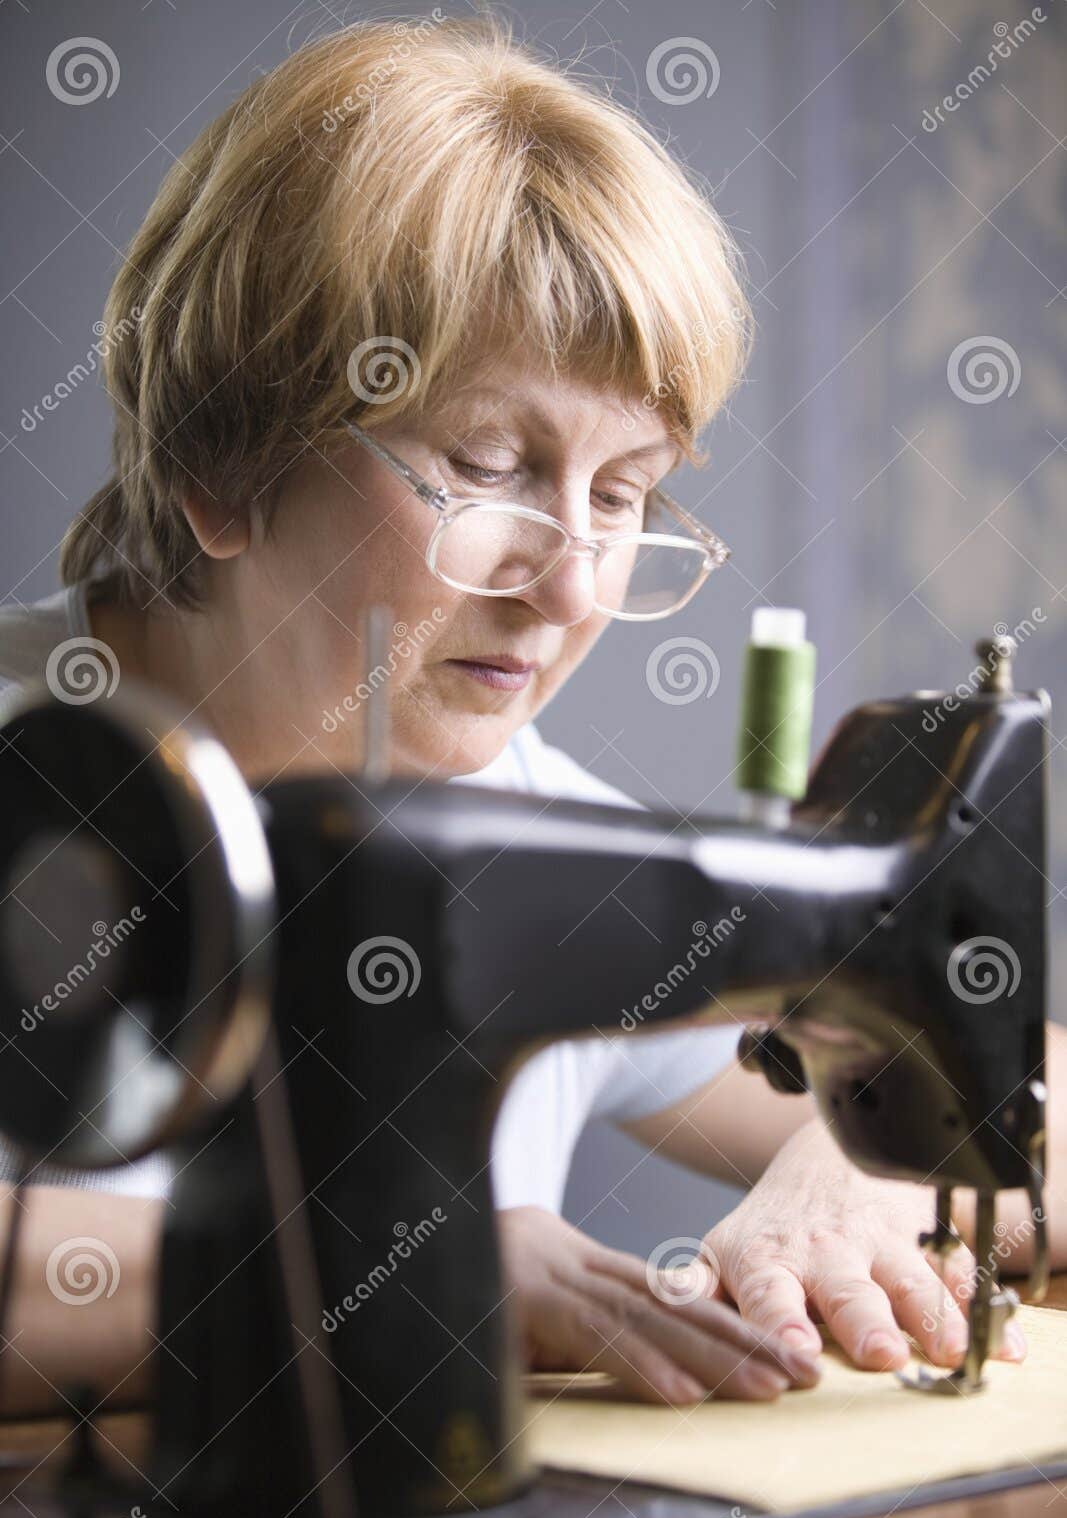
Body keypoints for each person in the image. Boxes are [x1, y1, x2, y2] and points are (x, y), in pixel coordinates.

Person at [0, 15, 1060, 1422]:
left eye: (623, 494)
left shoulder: (533, 827)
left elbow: (1025, 1075)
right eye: (490, 465)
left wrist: (842, 1166)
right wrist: (401, 1269)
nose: (571, 584)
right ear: (225, 461)